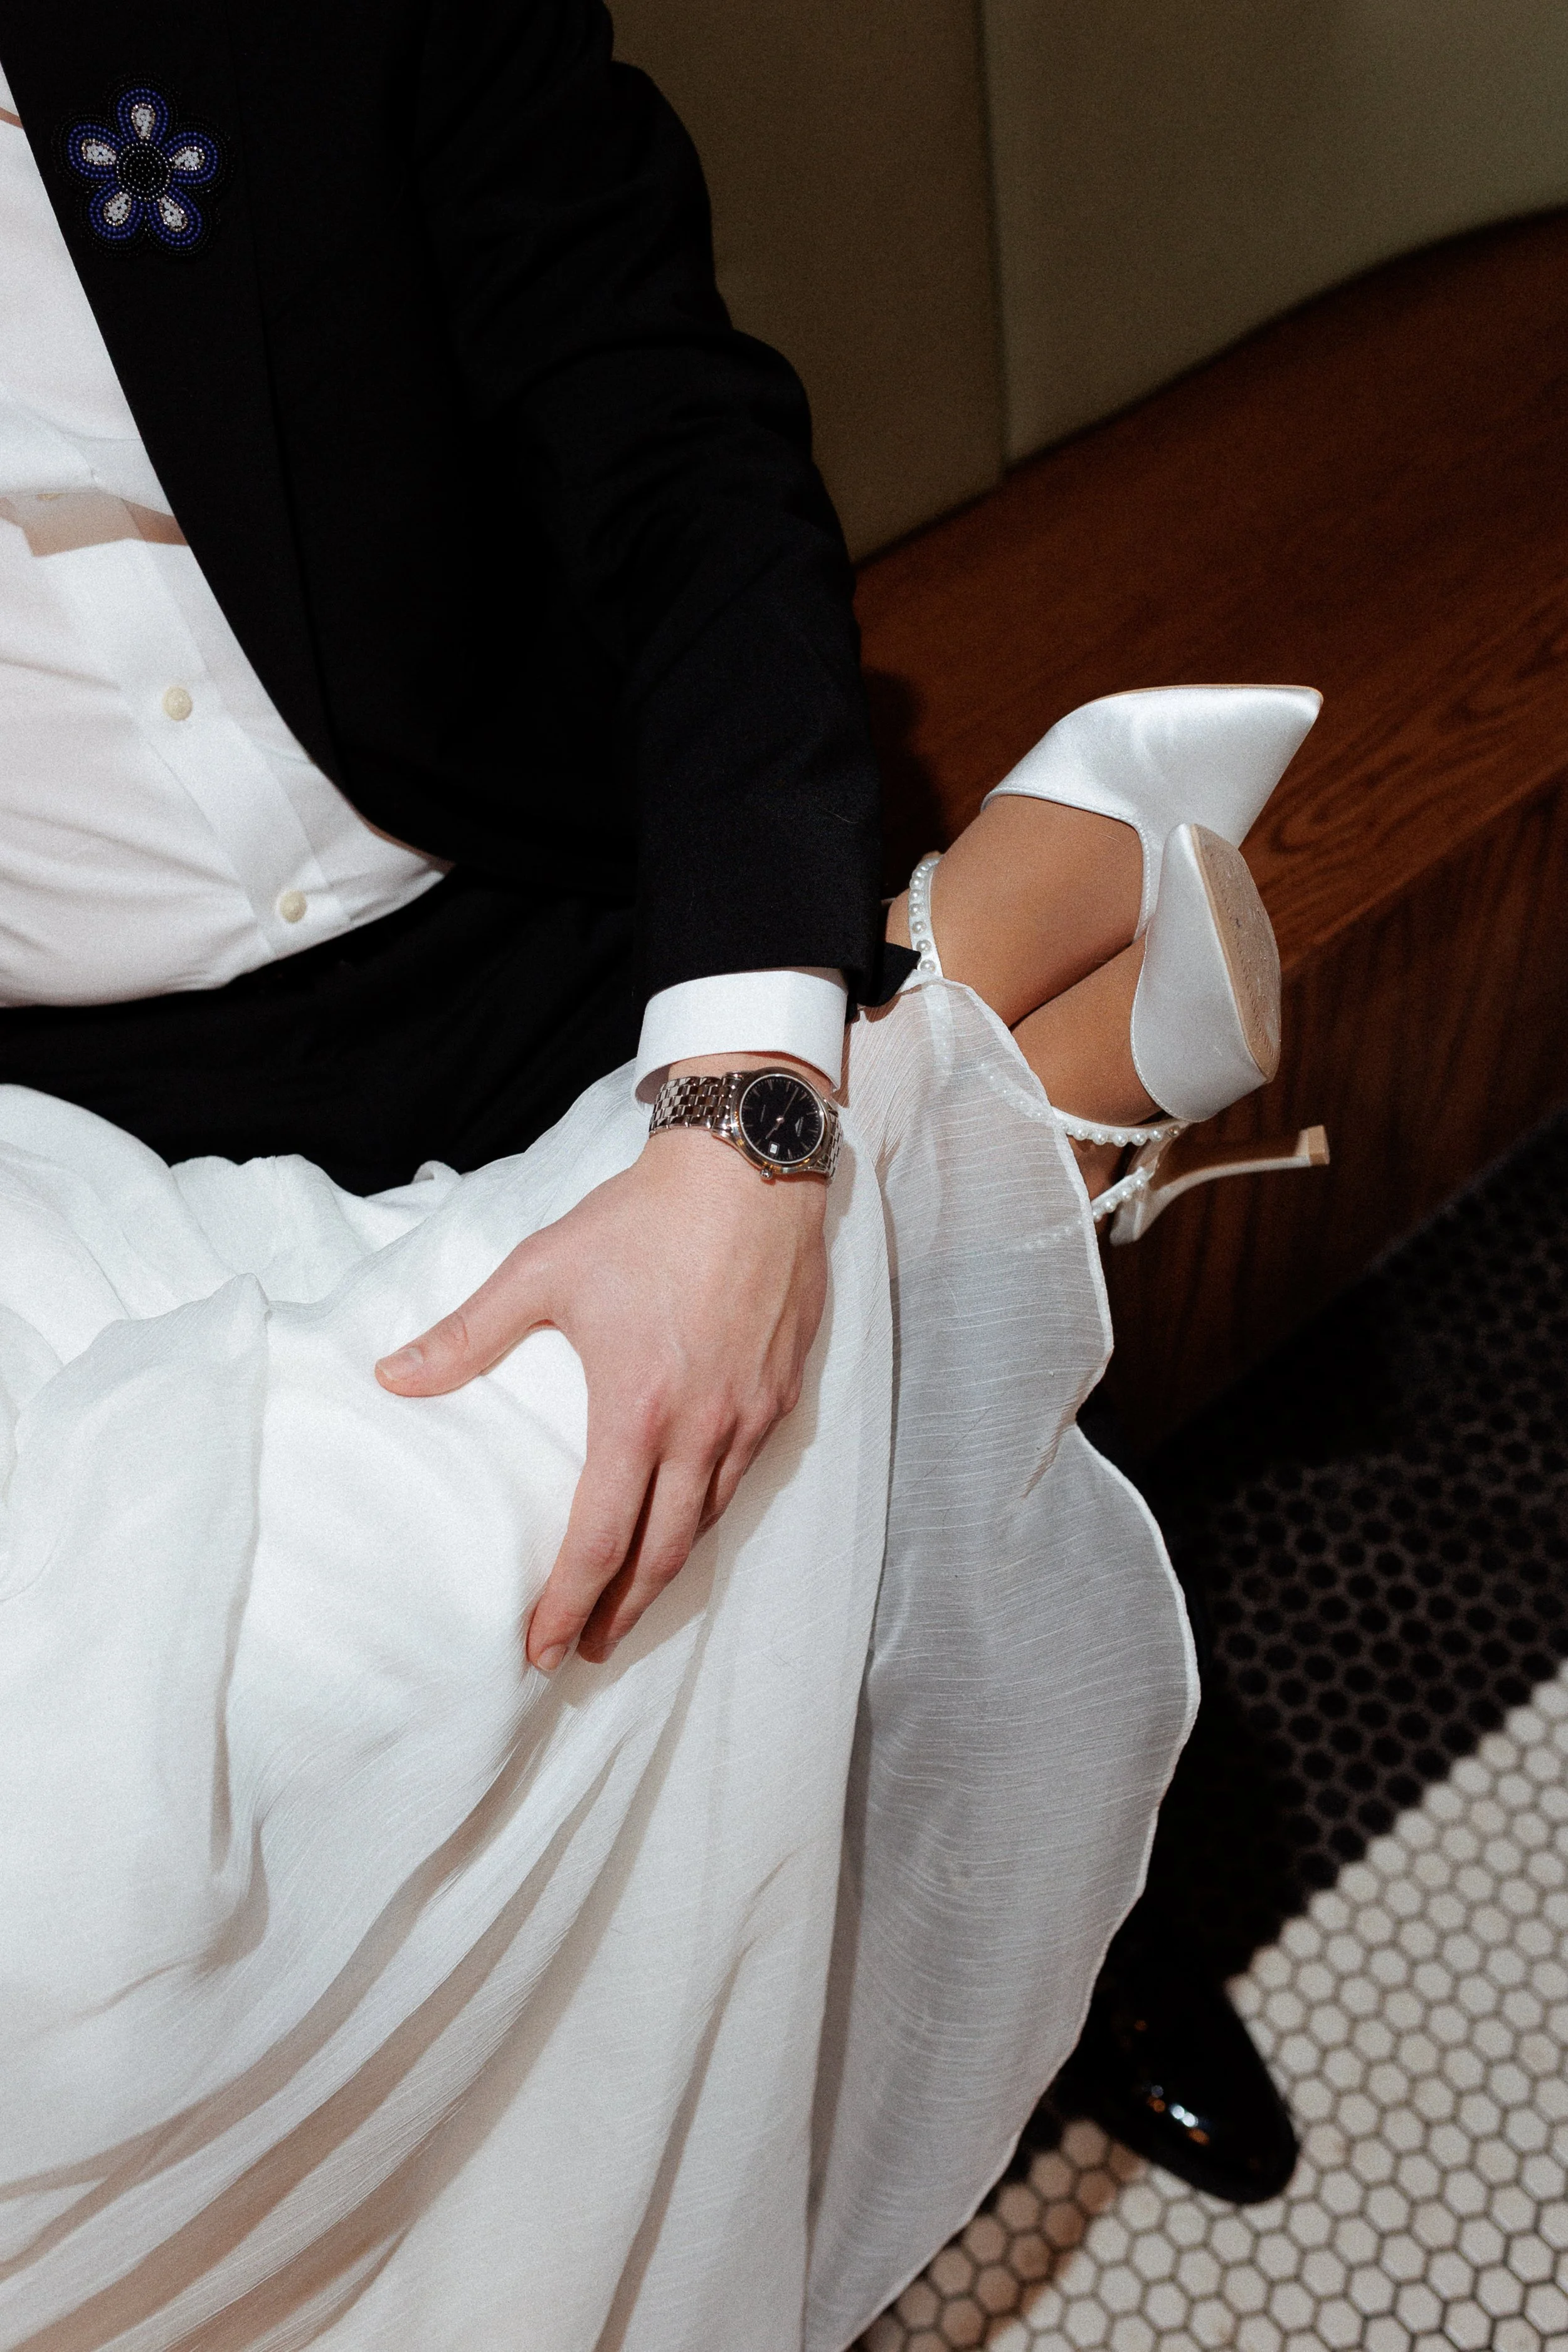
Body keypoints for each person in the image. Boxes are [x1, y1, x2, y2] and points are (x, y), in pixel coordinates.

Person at [0, 13, 1311, 2344]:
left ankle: (1057, 1926)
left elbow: (672, 452)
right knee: (177, 1737)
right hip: (72, 1097)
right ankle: (992, 1008)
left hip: (515, 890)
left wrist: (741, 1100)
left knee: (799, 1384)